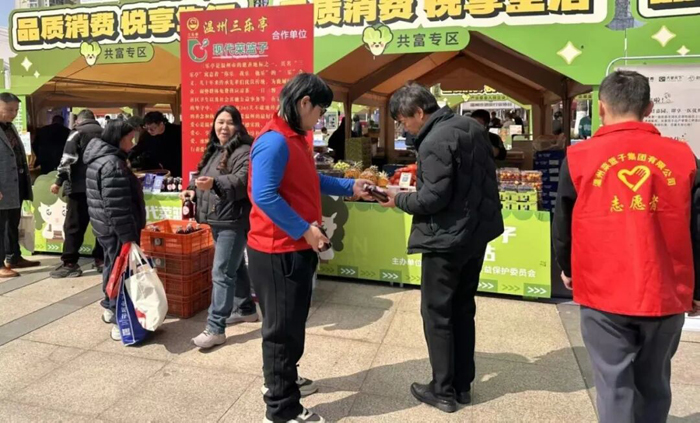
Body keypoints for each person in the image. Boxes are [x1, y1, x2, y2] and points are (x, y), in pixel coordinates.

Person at [553, 70, 700, 423]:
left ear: (601, 108)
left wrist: (568, 268)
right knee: (655, 383)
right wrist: (697, 288)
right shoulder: (684, 158)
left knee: (613, 385)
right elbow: (697, 228)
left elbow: (563, 223)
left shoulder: (579, 157)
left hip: (602, 292)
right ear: (649, 108)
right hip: (665, 291)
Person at [248, 73, 373, 423]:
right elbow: (264, 196)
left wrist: (350, 187)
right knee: (281, 332)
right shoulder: (274, 141)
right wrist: (305, 230)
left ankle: (282, 379)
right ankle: (281, 409)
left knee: (290, 325)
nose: (320, 119)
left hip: (292, 247)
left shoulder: (293, 137)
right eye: (320, 111)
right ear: (304, 103)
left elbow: (309, 180)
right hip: (278, 250)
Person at [379, 82, 504, 413]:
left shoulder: (434, 140)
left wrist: (397, 199)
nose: (404, 128)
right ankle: (462, 385)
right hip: (475, 234)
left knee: (437, 313)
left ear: (419, 112)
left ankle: (443, 389)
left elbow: (432, 199)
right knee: (463, 308)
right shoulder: (471, 128)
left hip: (446, 239)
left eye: (404, 121)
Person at [182, 105, 259, 349]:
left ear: (238, 126)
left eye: (229, 122)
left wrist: (215, 183)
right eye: (220, 122)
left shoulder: (244, 151)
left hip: (233, 221)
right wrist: (192, 190)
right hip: (219, 219)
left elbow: (241, 181)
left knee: (221, 273)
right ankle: (246, 309)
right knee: (234, 267)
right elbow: (201, 177)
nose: (223, 127)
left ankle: (216, 328)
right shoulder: (216, 150)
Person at [85, 120, 146, 341]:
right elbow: (117, 206)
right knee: (120, 272)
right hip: (117, 228)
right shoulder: (112, 164)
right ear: (119, 138)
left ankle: (110, 307)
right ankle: (119, 317)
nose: (133, 142)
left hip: (105, 226)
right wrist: (129, 237)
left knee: (112, 266)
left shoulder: (100, 158)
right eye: (130, 138)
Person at [50, 109, 105, 278]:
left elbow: (67, 159)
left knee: (74, 226)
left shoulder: (76, 133)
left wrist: (59, 181)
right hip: (101, 186)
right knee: (101, 224)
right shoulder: (105, 133)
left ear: (78, 121)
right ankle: (101, 260)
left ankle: (70, 263)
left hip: (79, 187)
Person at [0, 93, 39, 278]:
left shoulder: (10, 127)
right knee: (1, 226)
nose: (13, 113)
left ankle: (13, 257)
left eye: (16, 110)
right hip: (2, 186)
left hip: (15, 183)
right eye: (9, 110)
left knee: (12, 223)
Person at [128, 111, 183, 176]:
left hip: (177, 167)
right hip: (156, 169)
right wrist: (127, 158)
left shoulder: (177, 131)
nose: (149, 131)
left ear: (161, 124)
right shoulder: (146, 135)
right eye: (147, 128)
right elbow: (138, 149)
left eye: (152, 128)